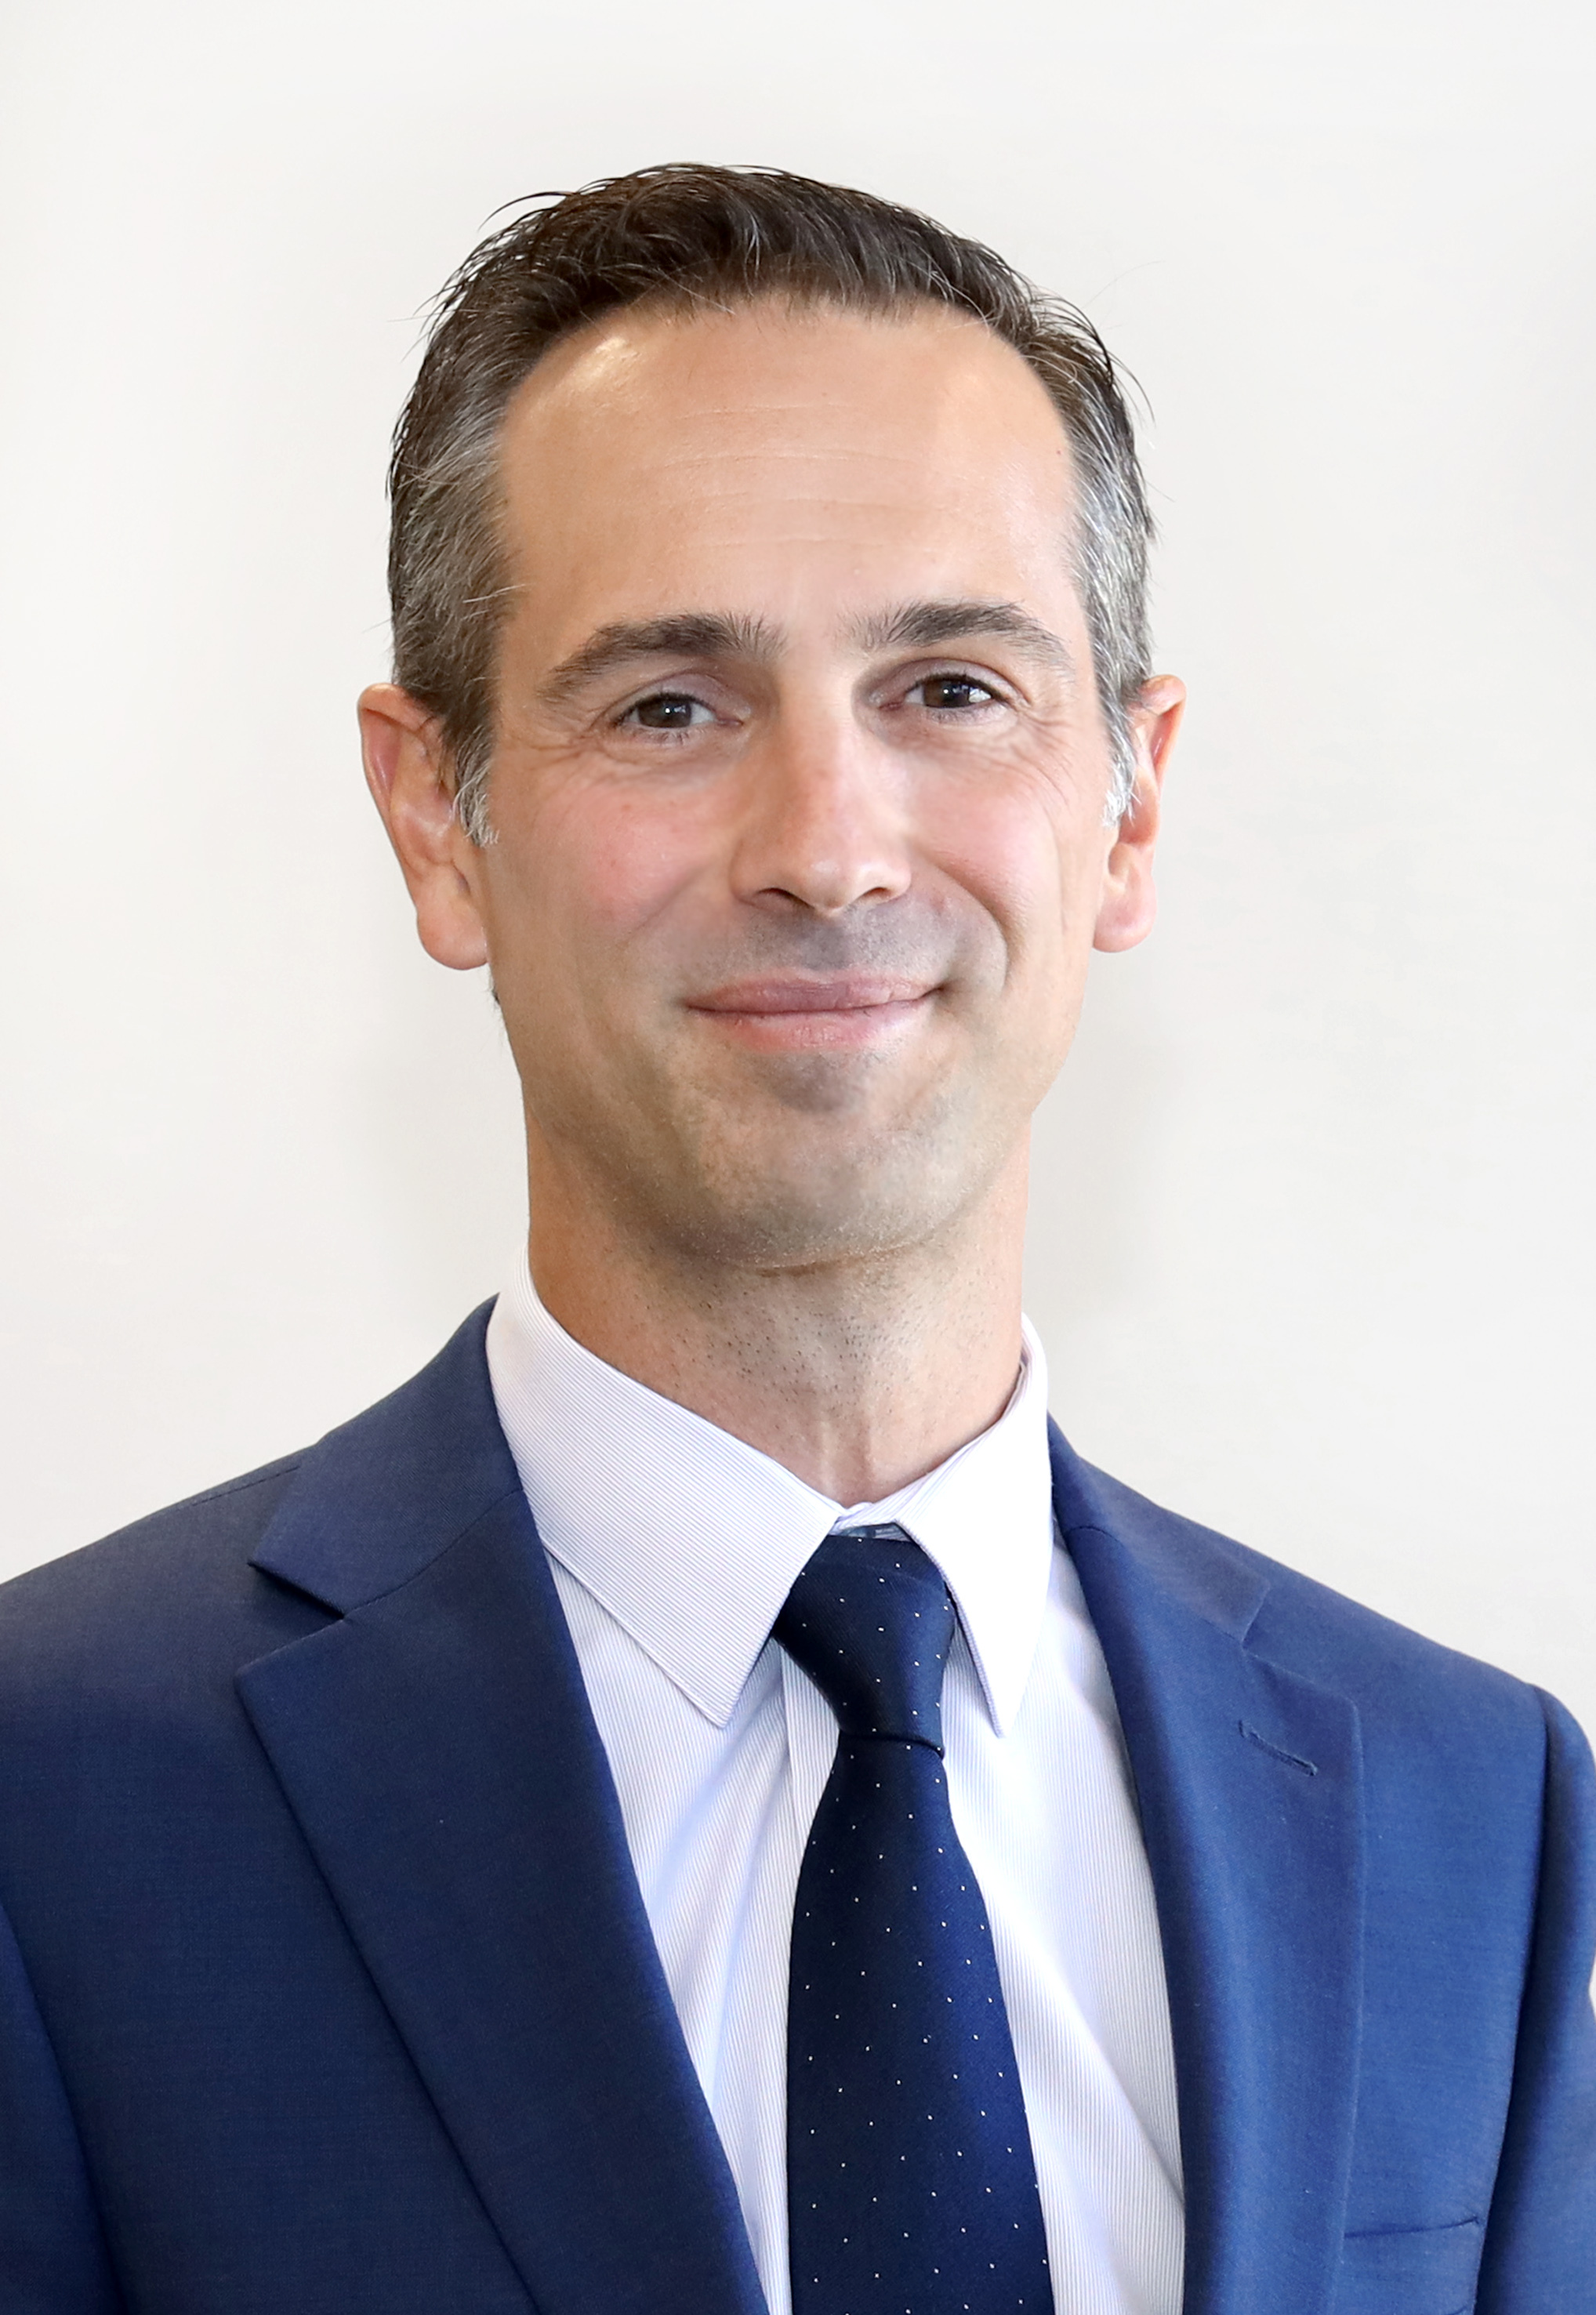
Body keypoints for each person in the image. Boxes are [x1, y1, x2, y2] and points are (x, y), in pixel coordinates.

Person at [0, 165, 1591, 2315]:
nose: (829, 851)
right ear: (435, 819)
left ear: (1129, 802)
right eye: (670, 704)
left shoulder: (1472, 1813)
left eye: (951, 687)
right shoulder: (49, 1800)